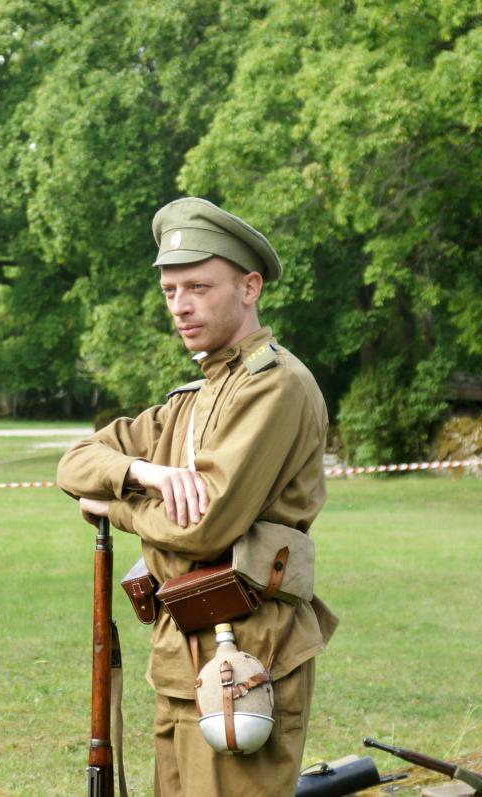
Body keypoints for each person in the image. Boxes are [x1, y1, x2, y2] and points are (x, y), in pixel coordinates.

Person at [56, 198, 338, 796]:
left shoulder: (275, 386)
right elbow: (75, 461)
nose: (181, 305)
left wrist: (114, 505)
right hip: (182, 653)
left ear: (249, 287)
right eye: (169, 290)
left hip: (245, 657)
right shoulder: (190, 398)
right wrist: (143, 471)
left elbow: (204, 527)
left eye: (198, 287)